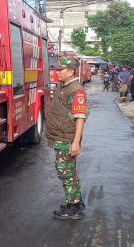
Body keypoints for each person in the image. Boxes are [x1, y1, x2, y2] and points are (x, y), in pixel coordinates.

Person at [46, 57, 88, 220]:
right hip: (61, 137)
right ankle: (75, 202)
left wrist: (76, 142)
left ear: (70, 71)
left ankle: (73, 207)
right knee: (68, 172)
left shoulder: (76, 90)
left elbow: (80, 118)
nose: (57, 73)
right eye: (56, 69)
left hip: (67, 139)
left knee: (66, 173)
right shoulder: (64, 86)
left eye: (60, 70)